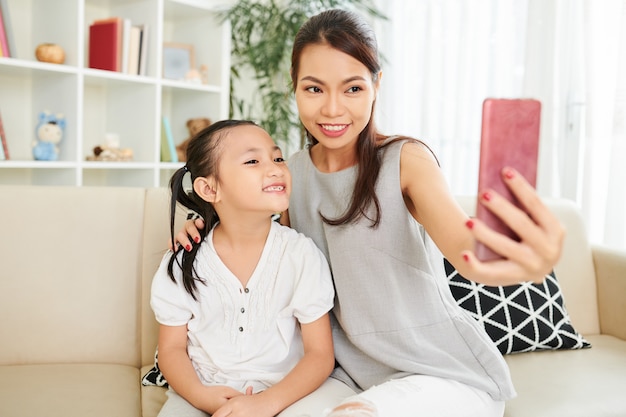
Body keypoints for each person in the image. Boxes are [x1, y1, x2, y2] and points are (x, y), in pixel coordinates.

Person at [174, 10, 564, 417]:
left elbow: (470, 254)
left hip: (440, 374)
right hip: (347, 378)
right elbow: (269, 251)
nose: (332, 109)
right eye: (313, 89)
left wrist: (524, 259)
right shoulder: (292, 173)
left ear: (377, 85)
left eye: (353, 88)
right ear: (295, 88)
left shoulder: (405, 160)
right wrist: (207, 228)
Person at [152, 119, 336, 417]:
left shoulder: (300, 254)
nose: (276, 167)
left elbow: (320, 354)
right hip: (202, 392)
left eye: (277, 158)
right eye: (253, 160)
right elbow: (171, 350)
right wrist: (202, 397)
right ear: (209, 189)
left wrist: (268, 403)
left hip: (286, 393)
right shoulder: (182, 261)